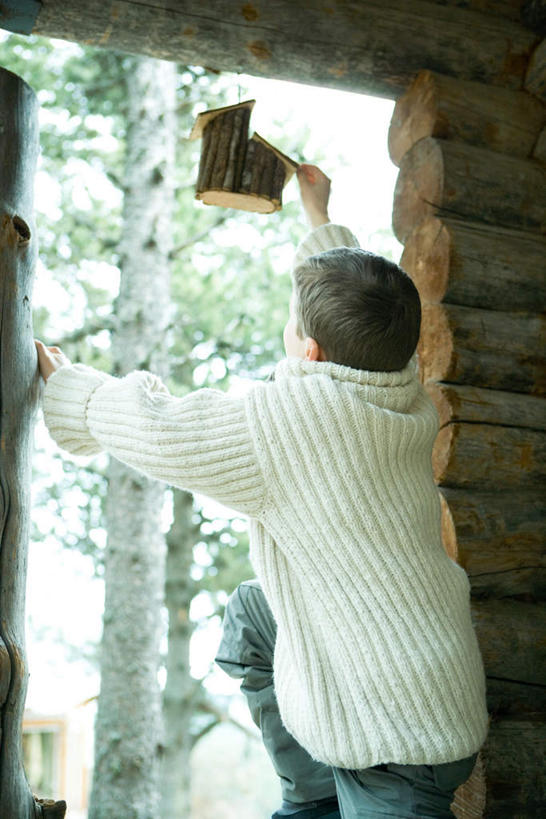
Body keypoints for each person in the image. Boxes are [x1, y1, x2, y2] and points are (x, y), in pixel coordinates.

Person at [36, 163, 489, 818]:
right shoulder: (399, 382)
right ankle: (315, 800)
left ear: (311, 352)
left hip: (402, 741)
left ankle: (326, 800)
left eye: (293, 322)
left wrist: (72, 389)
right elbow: (366, 306)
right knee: (254, 613)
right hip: (423, 670)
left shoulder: (288, 427)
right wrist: (319, 217)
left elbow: (162, 427)